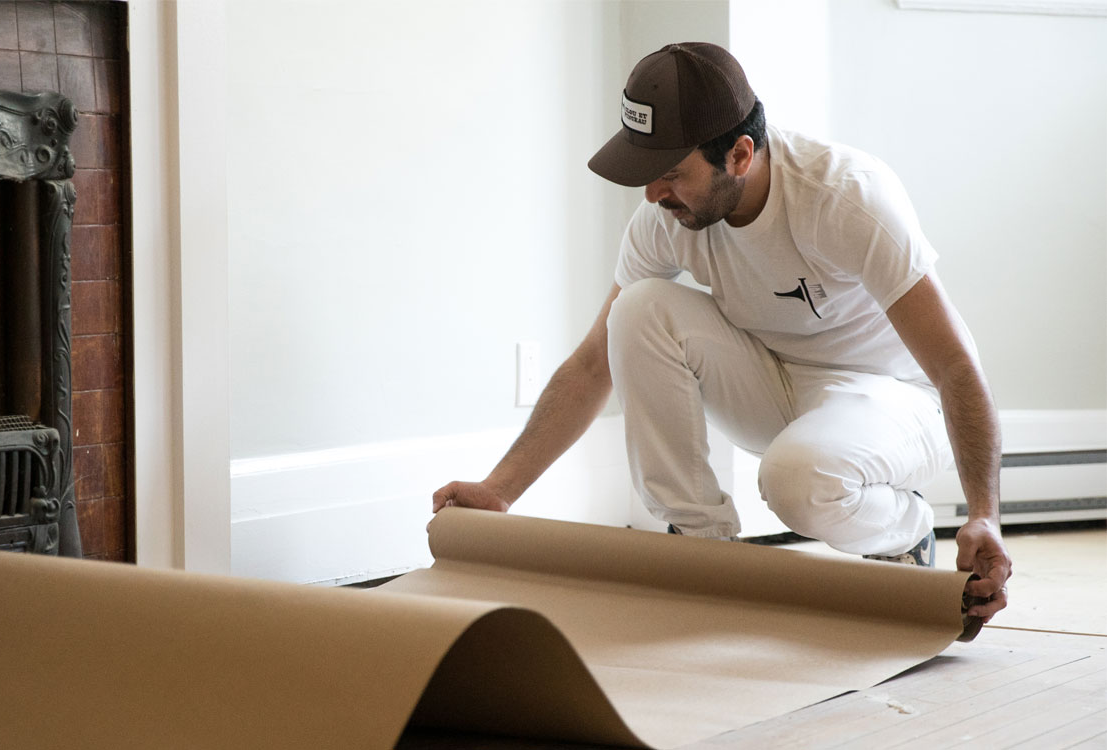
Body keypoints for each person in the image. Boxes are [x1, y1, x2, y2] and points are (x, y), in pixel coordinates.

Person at [432, 42, 1011, 622]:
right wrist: (500, 489)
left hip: (896, 402)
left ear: (739, 154)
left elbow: (955, 367)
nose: (653, 195)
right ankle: (703, 548)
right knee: (635, 309)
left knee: (794, 481)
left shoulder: (845, 196)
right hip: (777, 384)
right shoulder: (666, 220)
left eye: (670, 174)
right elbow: (591, 365)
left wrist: (983, 512)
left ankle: (903, 533)